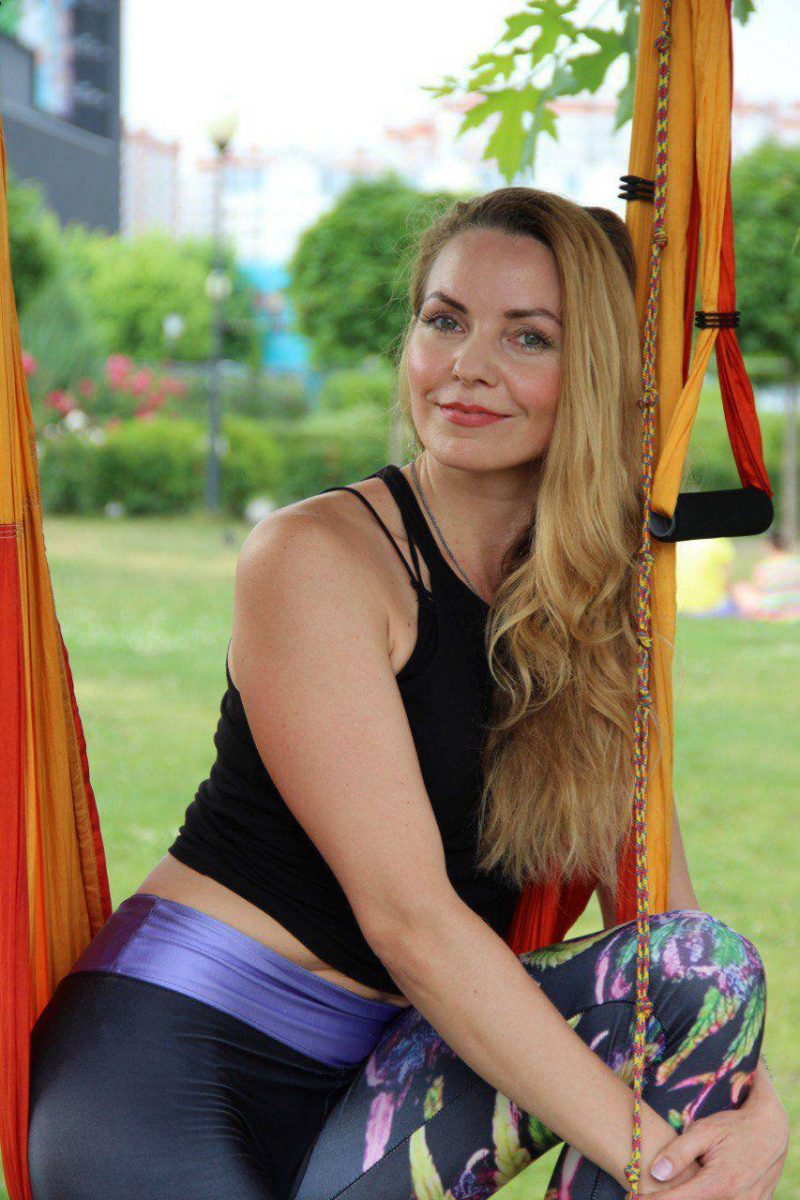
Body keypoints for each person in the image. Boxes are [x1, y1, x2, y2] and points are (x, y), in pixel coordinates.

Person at [26, 189, 788, 1200]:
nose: (467, 364)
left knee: (702, 970)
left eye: (527, 337)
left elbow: (664, 934)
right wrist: (656, 1157)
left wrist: (749, 1105)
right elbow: (410, 921)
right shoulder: (320, 559)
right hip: (176, 1057)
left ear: (598, 372)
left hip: (389, 1081)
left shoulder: (596, 609)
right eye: (444, 320)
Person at [731, 528, 800, 622]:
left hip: (773, 609)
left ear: (768, 545)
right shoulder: (797, 562)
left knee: (740, 588)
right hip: (796, 605)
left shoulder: (764, 567)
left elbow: (758, 589)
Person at [675, 536, 738, 618]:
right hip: (711, 607)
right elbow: (726, 580)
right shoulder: (719, 542)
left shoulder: (678, 542)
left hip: (679, 608)